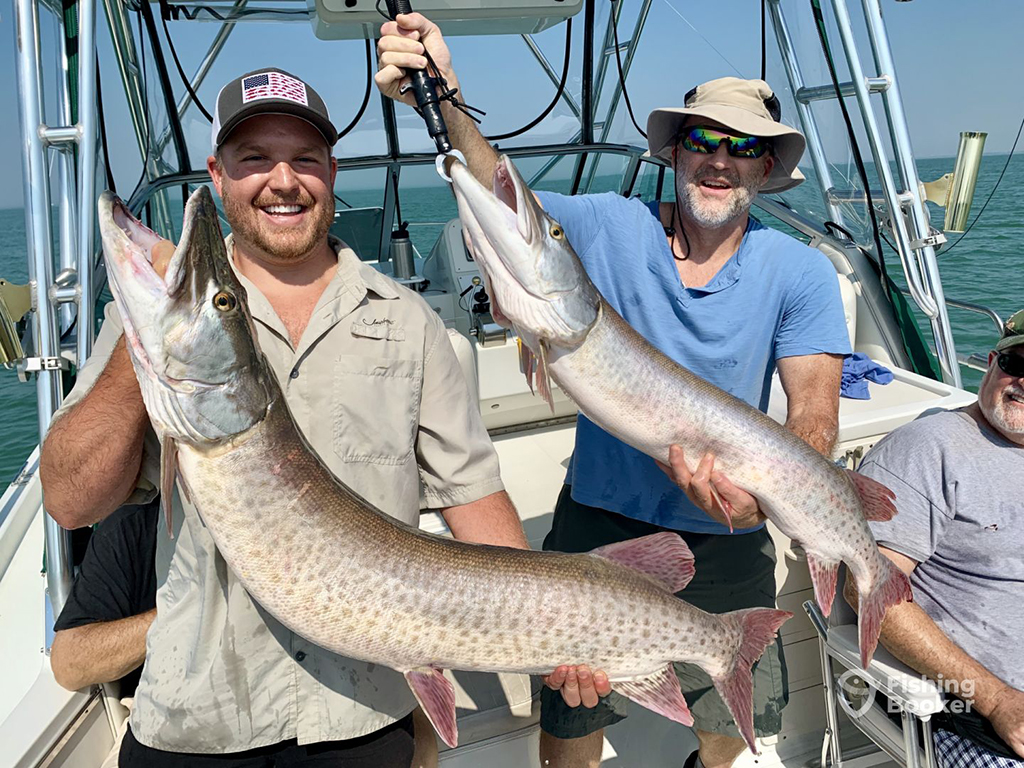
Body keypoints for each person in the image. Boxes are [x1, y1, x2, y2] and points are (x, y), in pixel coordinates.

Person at [377, 16, 851, 768]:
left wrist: (760, 501)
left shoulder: (799, 273)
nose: (720, 161)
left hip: (730, 533)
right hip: (598, 528)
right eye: (703, 142)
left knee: (731, 720)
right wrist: (446, 100)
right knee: (571, 714)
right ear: (673, 152)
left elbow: (815, 417)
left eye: (743, 148)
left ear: (766, 169)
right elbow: (506, 199)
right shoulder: (607, 225)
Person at [39, 68, 536, 768]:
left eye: (304, 159)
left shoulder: (410, 322)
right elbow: (69, 502)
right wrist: (146, 337)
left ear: (332, 172)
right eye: (254, 159)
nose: (283, 180)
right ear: (218, 173)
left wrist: (553, 631)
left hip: (362, 715)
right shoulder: (146, 339)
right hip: (197, 719)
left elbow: (473, 497)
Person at [846, 309, 1024, 768]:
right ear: (991, 364)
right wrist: (998, 701)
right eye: (1017, 364)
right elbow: (868, 590)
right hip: (977, 708)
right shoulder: (929, 449)